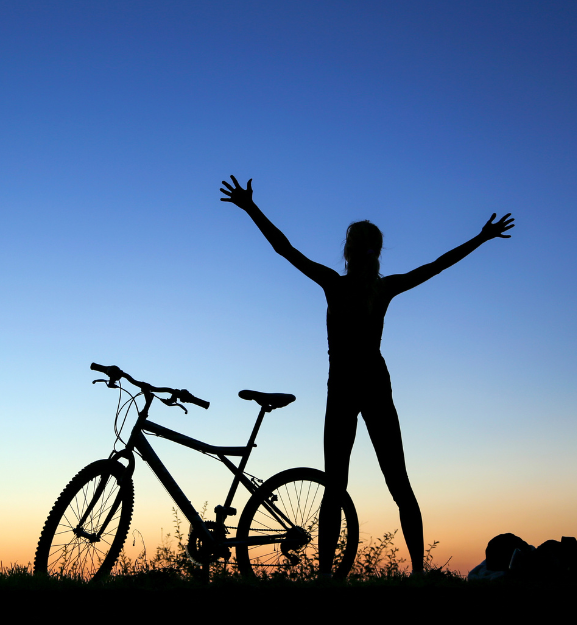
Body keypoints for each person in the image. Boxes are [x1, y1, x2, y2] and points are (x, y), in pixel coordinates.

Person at [219, 175, 514, 575]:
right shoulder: (362, 286)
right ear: (369, 252)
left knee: (366, 485)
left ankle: (396, 574)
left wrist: (480, 238)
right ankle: (377, 575)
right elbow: (285, 249)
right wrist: (251, 208)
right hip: (355, 386)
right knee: (361, 485)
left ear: (355, 251)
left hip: (359, 387)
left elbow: (285, 249)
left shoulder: (354, 286)